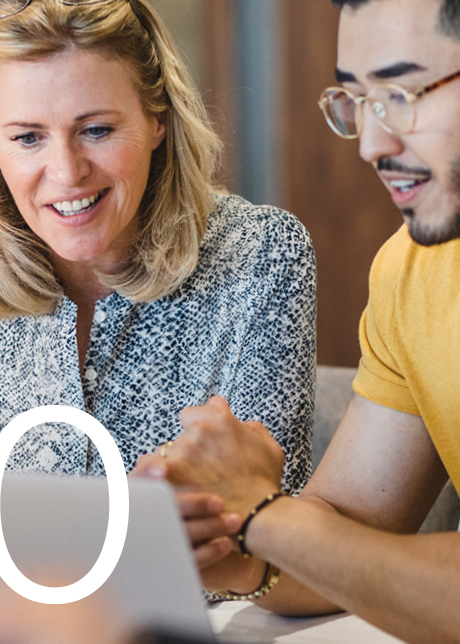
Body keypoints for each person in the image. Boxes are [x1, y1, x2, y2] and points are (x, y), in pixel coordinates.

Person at [0, 0, 316, 642]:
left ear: (157, 117)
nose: (67, 172)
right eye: (28, 137)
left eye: (97, 129)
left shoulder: (260, 256)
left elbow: (270, 529)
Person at [134, 0, 460, 642]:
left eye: (399, 93)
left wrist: (265, 517)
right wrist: (232, 549)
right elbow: (352, 534)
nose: (372, 143)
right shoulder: (411, 270)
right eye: (356, 100)